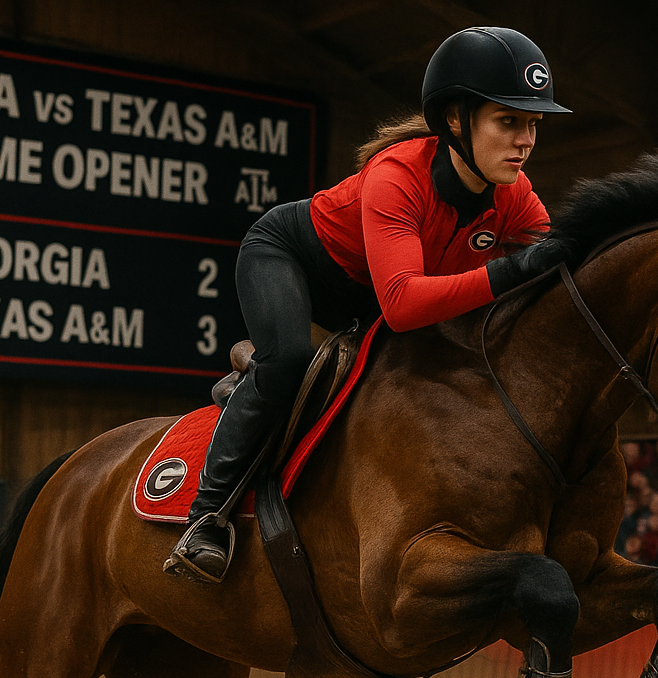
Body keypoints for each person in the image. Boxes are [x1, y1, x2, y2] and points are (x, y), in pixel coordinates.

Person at [166, 26, 572, 582]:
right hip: (292, 257)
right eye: (508, 121)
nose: (525, 140)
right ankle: (205, 518)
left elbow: (549, 277)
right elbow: (404, 304)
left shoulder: (516, 196)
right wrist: (504, 273)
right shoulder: (398, 175)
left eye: (533, 124)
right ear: (455, 119)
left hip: (370, 291)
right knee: (287, 363)